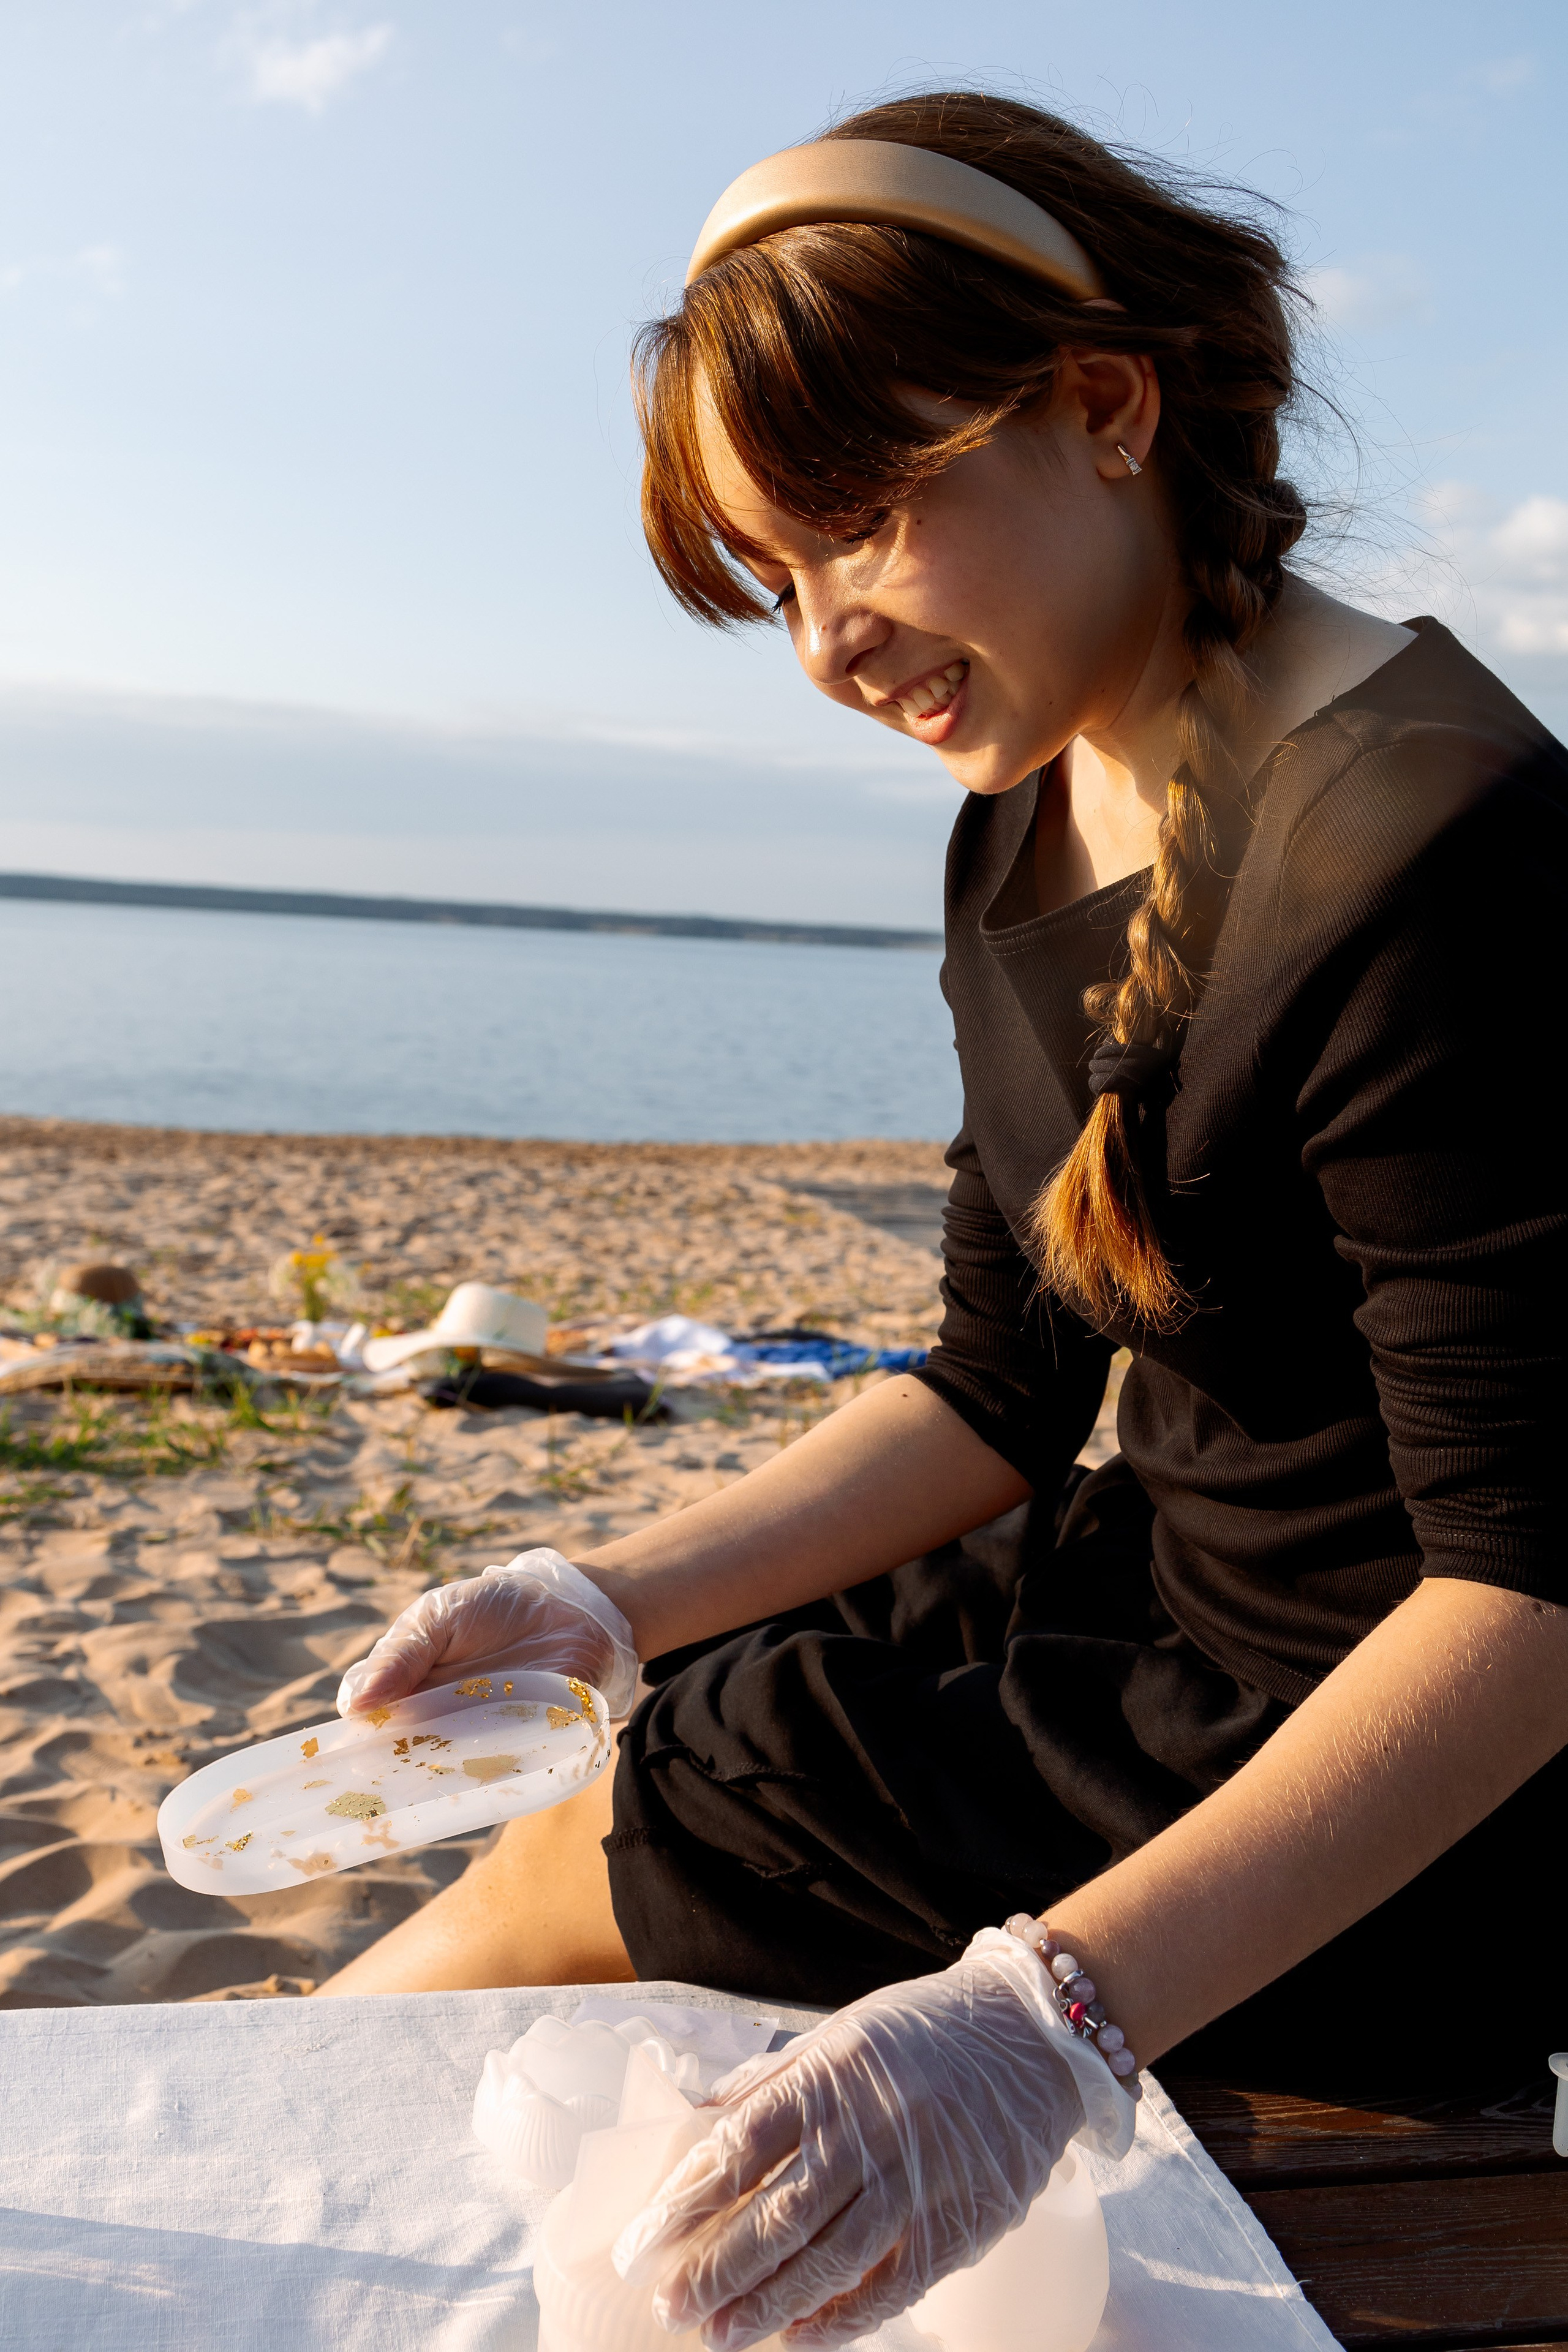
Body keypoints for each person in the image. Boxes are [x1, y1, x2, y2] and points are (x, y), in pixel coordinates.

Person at [318, 92, 1568, 2351]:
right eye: (770, 583)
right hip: (1154, 1612)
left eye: (864, 527)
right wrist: (600, 1593)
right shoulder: (1027, 807)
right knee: (655, 1725)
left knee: (680, 1818)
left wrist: (1048, 2017)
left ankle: (247, 2216)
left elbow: (1540, 1593)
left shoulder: (1437, 850)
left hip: (1396, 1806)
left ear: (1104, 408)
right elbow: (1002, 1389)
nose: (824, 642)